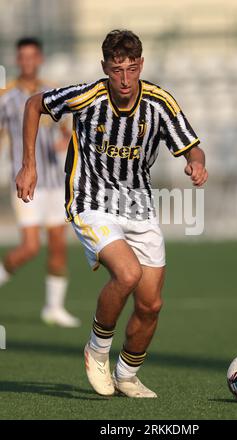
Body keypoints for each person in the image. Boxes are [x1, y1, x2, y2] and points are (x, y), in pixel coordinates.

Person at [15, 29, 208, 397]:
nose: (124, 78)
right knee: (128, 273)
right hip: (90, 200)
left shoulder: (159, 102)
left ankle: (127, 374)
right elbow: (34, 104)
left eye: (131, 69)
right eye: (116, 69)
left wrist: (196, 164)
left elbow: (192, 147)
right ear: (105, 68)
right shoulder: (88, 95)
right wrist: (29, 165)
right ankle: (97, 350)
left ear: (141, 66)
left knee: (151, 304)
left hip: (138, 205)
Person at [0, 37, 80, 328]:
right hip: (26, 184)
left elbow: (67, 130)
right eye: (23, 56)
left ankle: (54, 307)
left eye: (33, 56)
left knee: (58, 244)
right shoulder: (6, 97)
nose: (28, 61)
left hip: (54, 182)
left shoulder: (52, 92)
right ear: (17, 60)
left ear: (40, 58)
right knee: (31, 247)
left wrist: (66, 140)